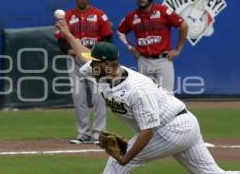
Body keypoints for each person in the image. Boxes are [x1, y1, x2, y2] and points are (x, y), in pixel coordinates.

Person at [55, 20, 240, 174]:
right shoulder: (100, 70)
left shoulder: (137, 89)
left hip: (171, 128)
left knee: (115, 165)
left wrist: (125, 158)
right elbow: (83, 55)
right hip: (182, 124)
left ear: (107, 64)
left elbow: (148, 131)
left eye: (96, 62)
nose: (91, 65)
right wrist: (68, 33)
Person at [55, 0, 113, 144]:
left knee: (99, 97)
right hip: (74, 63)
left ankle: (99, 133)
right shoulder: (67, 17)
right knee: (78, 97)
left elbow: (108, 38)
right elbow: (60, 40)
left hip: (94, 62)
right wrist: (68, 50)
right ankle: (83, 133)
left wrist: (102, 56)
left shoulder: (99, 15)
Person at [117, 0, 188, 93]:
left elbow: (183, 25)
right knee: (146, 97)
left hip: (163, 60)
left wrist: (178, 50)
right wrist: (130, 47)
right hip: (144, 60)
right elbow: (120, 31)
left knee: (167, 97)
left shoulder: (163, 11)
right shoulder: (131, 16)